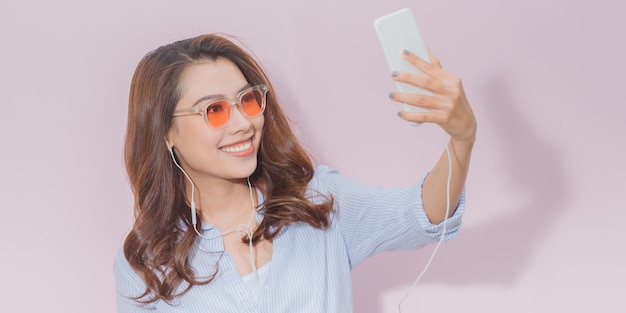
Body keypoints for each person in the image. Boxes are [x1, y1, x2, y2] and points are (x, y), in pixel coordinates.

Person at [114, 33, 476, 312]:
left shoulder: (317, 200)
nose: (243, 123)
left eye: (249, 100)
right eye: (215, 110)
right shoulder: (145, 263)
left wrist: (462, 138)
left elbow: (421, 212)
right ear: (166, 132)